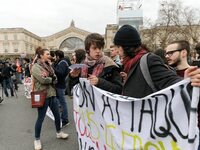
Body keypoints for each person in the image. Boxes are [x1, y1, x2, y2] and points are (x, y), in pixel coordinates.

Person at [113, 24, 200, 98]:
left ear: (126, 47)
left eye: (118, 47)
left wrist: (185, 81)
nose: (117, 51)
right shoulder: (130, 65)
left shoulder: (148, 60)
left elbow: (169, 81)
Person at [31, 47, 69, 150]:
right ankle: (37, 139)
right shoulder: (35, 67)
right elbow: (43, 80)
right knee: (41, 118)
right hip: (43, 95)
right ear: (41, 55)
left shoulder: (49, 66)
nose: (50, 56)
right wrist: (50, 78)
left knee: (57, 115)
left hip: (52, 94)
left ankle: (59, 132)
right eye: (47, 54)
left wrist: (50, 78)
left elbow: (55, 79)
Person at [53, 50, 70, 127]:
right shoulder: (60, 62)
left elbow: (61, 73)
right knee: (60, 103)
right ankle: (62, 117)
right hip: (59, 85)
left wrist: (52, 67)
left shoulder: (63, 62)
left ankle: (65, 120)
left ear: (58, 56)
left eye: (54, 56)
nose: (54, 58)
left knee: (63, 103)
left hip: (61, 85)